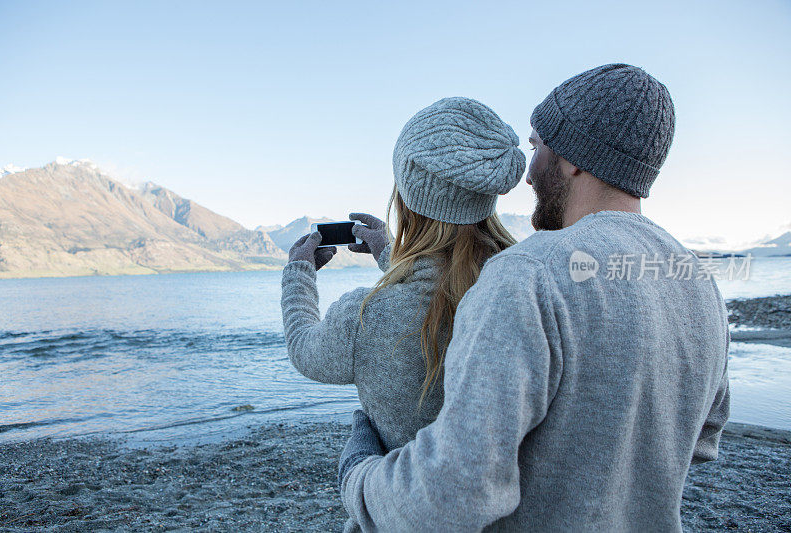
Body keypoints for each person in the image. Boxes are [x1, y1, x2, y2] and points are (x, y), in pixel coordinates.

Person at [338, 64, 730, 532]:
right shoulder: (696, 281)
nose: (527, 177)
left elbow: (450, 491)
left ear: (574, 158)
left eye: (537, 146)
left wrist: (358, 472)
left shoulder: (528, 276)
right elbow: (701, 440)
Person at [280, 97, 527, 531]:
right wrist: (392, 255)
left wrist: (298, 274)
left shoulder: (369, 316)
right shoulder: (525, 285)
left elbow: (305, 349)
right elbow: (444, 281)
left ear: (408, 199)